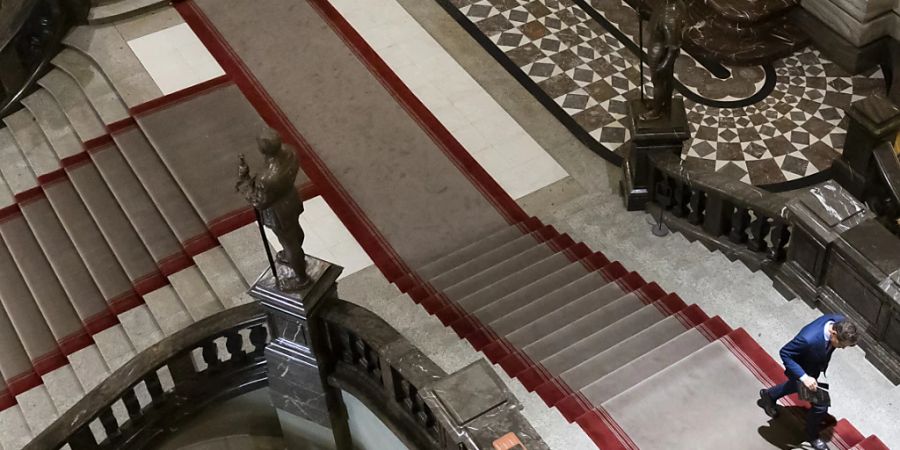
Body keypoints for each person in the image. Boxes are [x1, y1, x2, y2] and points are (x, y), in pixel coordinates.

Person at [758, 314, 859, 450]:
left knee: (794, 386)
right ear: (833, 332)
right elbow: (785, 353)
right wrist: (804, 377)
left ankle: (769, 396)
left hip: (813, 365)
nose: (842, 348)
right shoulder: (807, 339)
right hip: (801, 369)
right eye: (841, 344)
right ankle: (812, 435)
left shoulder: (840, 321)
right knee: (821, 406)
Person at [236, 127, 310, 290]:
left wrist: (245, 179)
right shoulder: (291, 152)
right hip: (291, 199)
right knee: (295, 231)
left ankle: (301, 278)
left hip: (278, 211)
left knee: (288, 241)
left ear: (263, 149)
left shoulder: (266, 177)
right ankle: (294, 256)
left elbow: (260, 202)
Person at [640, 0, 686, 121]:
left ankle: (656, 111)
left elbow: (673, 47)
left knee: (658, 82)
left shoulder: (670, 17)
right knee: (664, 80)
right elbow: (658, 21)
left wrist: (664, 64)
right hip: (657, 44)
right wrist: (646, 14)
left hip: (659, 52)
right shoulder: (666, 5)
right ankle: (661, 103)